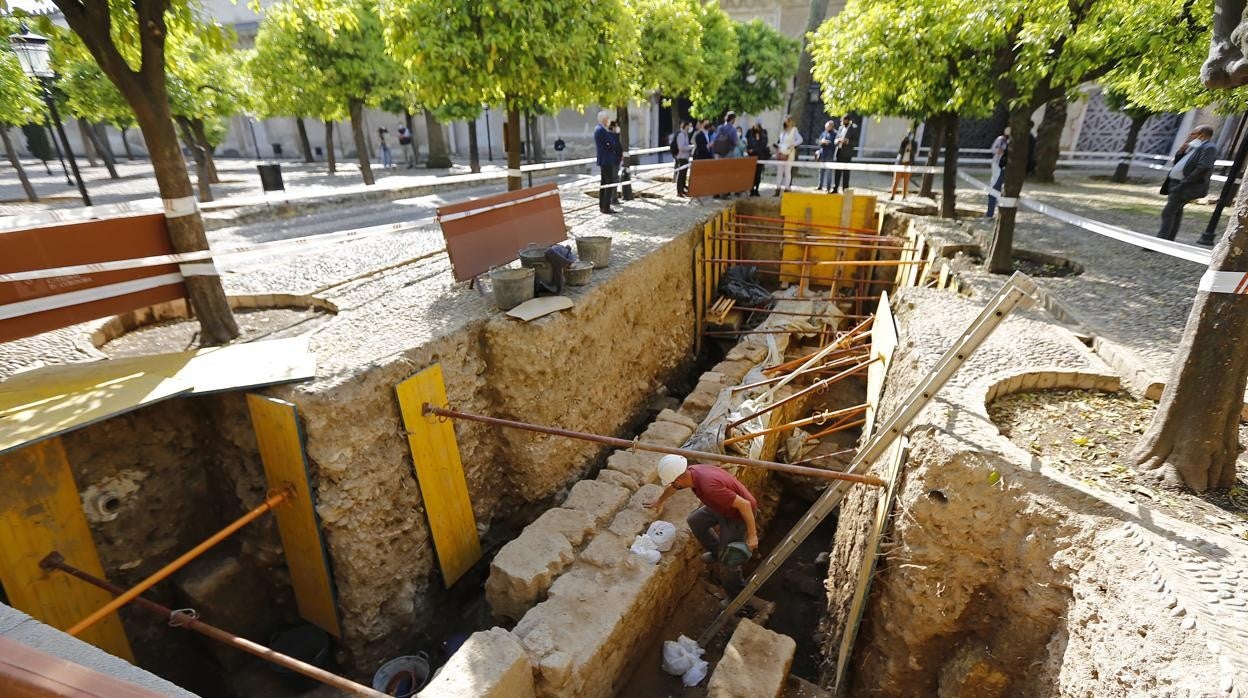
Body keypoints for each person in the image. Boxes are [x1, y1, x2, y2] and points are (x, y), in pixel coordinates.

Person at [648, 455, 758, 595]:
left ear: (679, 479)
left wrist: (752, 535)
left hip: (738, 515)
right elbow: (674, 487)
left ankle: (737, 596)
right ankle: (717, 552)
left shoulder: (709, 487)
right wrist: (660, 501)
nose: (673, 485)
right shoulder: (691, 472)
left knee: (729, 561)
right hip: (720, 506)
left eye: (673, 482)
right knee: (695, 521)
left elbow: (745, 505)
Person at [1158, 125, 1219, 241]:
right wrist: (1181, 152)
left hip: (1184, 186)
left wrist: (1184, 184)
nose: (1190, 136)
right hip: (1175, 183)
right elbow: (1181, 164)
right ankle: (1169, 240)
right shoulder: (1196, 147)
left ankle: (1160, 241)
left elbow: (1203, 168)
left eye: (1193, 134)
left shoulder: (1209, 148)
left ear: (1202, 135)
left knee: (1168, 212)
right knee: (1176, 212)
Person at [594, 109, 621, 215]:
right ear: (604, 119)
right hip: (606, 160)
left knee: (604, 183)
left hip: (603, 160)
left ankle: (602, 205)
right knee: (608, 184)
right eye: (607, 118)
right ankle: (606, 207)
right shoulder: (602, 130)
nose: (608, 120)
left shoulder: (598, 129)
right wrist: (616, 134)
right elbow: (611, 143)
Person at [774, 116, 802, 196]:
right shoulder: (783, 131)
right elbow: (781, 142)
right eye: (785, 121)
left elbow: (800, 140)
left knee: (787, 171)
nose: (786, 122)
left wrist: (793, 145)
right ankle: (777, 189)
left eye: (788, 121)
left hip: (789, 153)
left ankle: (786, 189)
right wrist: (778, 146)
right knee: (779, 172)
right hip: (781, 152)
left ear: (791, 121)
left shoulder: (794, 130)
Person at [985, 131, 1011, 219]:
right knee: (995, 187)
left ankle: (995, 213)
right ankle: (990, 213)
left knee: (998, 189)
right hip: (998, 165)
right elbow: (993, 149)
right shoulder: (1001, 140)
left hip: (1006, 167)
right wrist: (999, 151)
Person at [832, 115, 857, 193]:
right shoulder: (840, 128)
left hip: (847, 153)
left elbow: (855, 141)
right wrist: (837, 141)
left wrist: (847, 141)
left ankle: (845, 189)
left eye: (843, 121)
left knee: (846, 172)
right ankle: (835, 188)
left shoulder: (853, 128)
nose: (842, 122)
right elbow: (836, 138)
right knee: (837, 171)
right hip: (839, 151)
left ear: (847, 120)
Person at [890, 128, 917, 200]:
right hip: (900, 163)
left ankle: (904, 197)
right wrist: (906, 143)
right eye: (909, 133)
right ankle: (892, 196)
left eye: (911, 134)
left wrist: (911, 148)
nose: (910, 135)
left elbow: (914, 152)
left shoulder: (914, 143)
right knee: (896, 180)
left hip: (908, 164)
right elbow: (900, 151)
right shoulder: (904, 142)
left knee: (906, 181)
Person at [745, 121, 770, 196]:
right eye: (754, 127)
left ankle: (757, 189)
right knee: (752, 174)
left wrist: (754, 150)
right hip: (752, 157)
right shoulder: (750, 136)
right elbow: (748, 144)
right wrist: (749, 150)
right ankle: (751, 189)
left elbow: (763, 146)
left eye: (756, 127)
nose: (755, 128)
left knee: (758, 174)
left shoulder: (764, 136)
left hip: (760, 157)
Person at [816, 120, 837, 192]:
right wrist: (821, 141)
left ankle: (828, 188)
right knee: (821, 171)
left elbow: (835, 143)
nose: (827, 127)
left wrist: (828, 142)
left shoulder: (835, 133)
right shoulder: (823, 133)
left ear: (832, 126)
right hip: (822, 154)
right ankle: (819, 186)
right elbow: (818, 141)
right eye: (826, 126)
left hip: (830, 155)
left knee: (829, 172)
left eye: (828, 126)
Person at [673, 121, 692, 197]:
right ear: (685, 126)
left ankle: (683, 189)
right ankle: (679, 191)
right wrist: (690, 147)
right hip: (681, 157)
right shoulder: (681, 135)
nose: (690, 128)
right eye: (689, 126)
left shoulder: (685, 134)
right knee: (681, 175)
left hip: (685, 157)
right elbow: (681, 147)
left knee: (684, 175)